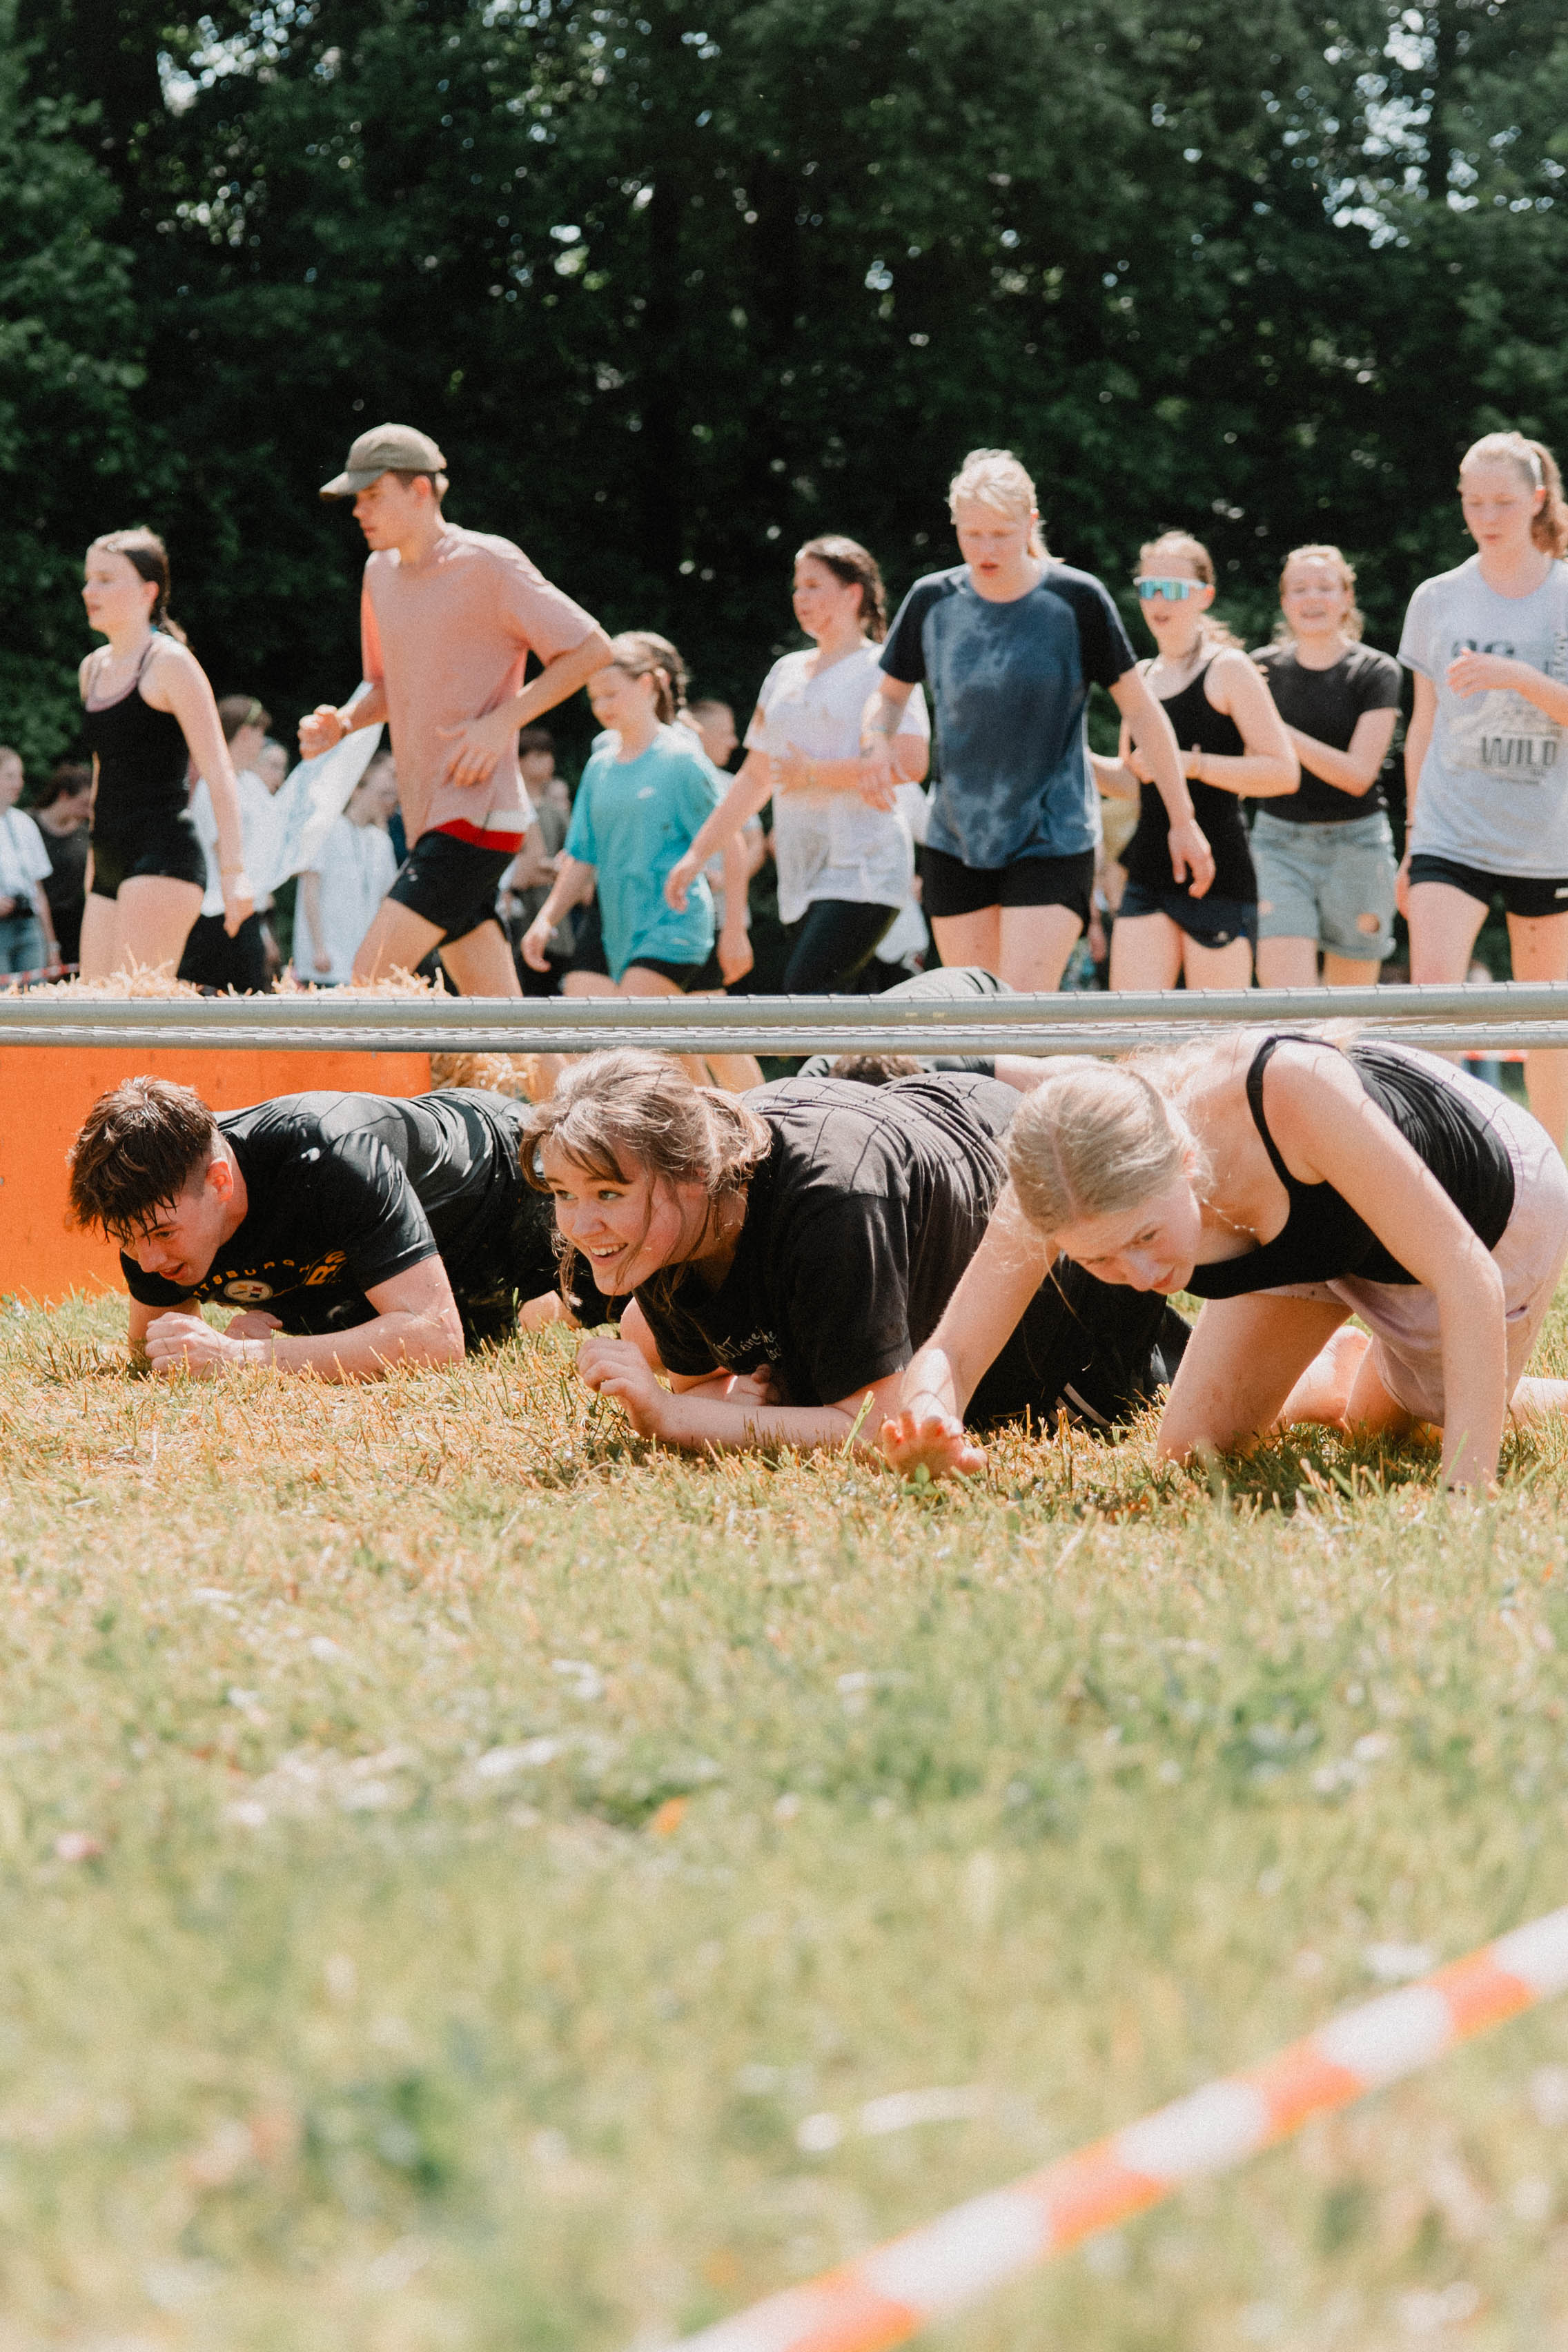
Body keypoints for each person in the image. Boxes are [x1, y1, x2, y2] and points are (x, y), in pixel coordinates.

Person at [881, 1028, 1568, 1496]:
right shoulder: (1054, 1183)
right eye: (1100, 1259)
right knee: (1195, 1452)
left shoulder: (1290, 1093)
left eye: (1147, 1235)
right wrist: (929, 1419)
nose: (1141, 1277)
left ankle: (1441, 1383)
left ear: (1185, 1162)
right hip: (1304, 1236)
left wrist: (1464, 1498)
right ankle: (1339, 1368)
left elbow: (1464, 1273)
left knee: (1428, 1416)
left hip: (1482, 1208)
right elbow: (953, 1350)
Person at [523, 1050, 1189, 1453]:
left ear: (694, 1173)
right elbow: (704, 1382)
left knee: (1176, 1412)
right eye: (563, 1193)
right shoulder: (659, 1227)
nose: (582, 1225)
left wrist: (672, 1419)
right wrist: (727, 1408)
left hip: (1052, 1279)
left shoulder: (830, 1201)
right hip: (921, 1135)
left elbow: (874, 1426)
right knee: (651, 1333)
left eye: (606, 1194)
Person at [862, 450, 1208, 990]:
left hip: (1054, 835)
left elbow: (1142, 710)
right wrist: (875, 741)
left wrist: (1182, 820)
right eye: (972, 534)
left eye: (1001, 534)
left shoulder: (1076, 599)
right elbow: (886, 698)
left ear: (1030, 523)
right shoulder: (932, 600)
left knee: (1019, 1010)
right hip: (957, 838)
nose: (986, 550)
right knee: (969, 1015)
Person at [299, 422, 613, 997]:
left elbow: (591, 649)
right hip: (426, 816)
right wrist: (342, 723)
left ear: (421, 489)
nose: (359, 511)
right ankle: (538, 1062)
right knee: (498, 1017)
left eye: (373, 495)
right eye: (356, 498)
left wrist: (501, 724)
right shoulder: (378, 573)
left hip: (478, 812)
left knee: (370, 978)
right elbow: (386, 685)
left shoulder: (488, 562)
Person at [66, 1074, 584, 1379]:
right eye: (127, 1240)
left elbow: (434, 1340)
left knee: (610, 1311)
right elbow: (155, 1353)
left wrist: (244, 1357)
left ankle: (540, 1304)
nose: (149, 1261)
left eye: (162, 1235)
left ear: (220, 1182)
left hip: (506, 1185)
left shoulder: (330, 1154)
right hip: (373, 1265)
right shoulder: (149, 1205)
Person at [1399, 430, 1568, 1149]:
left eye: (1503, 501)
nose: (1487, 517)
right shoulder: (1437, 598)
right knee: (1433, 1004)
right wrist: (1412, 841)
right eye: (1474, 502)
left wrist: (1518, 678)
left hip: (1547, 839)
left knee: (1547, 1023)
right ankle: (1440, 1168)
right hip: (1451, 830)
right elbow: (1421, 726)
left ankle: (1555, 1182)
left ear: (1537, 500)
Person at [665, 537, 931, 993]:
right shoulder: (784, 672)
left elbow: (911, 762)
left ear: (853, 594)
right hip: (800, 873)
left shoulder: (882, 668)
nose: (799, 597)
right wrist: (696, 855)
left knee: (805, 993)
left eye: (813, 586)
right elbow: (755, 776)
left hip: (866, 870)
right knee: (837, 1007)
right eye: (797, 587)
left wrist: (814, 773)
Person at [520, 632, 757, 1088]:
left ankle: (754, 1123)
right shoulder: (599, 766)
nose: (602, 706)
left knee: (629, 1041)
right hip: (618, 927)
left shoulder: (682, 759)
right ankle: (726, 1120)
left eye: (612, 693)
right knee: (677, 1048)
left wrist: (734, 932)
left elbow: (732, 843)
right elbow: (583, 856)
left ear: (648, 685)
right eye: (595, 698)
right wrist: (547, 918)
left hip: (674, 926)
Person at [1095, 533, 1297, 990]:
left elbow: (1283, 772)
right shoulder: (1141, 676)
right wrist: (1076, 761)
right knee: (1133, 1026)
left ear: (1205, 596)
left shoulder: (1229, 668)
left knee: (1216, 1031)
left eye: (1173, 589)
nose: (1159, 601)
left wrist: (1187, 764)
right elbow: (1133, 782)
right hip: (1147, 872)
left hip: (1218, 872)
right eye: (1149, 588)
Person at [79, 528, 253, 979]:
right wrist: (95, 861)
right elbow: (102, 770)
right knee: (88, 1010)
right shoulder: (92, 669)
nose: (89, 591)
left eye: (105, 579)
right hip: (110, 856)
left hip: (164, 856)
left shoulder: (170, 663)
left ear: (148, 591)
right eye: (89, 579)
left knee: (131, 1011)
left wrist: (234, 872)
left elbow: (219, 769)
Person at [1251, 547, 1403, 989]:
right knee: (1288, 1006)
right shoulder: (1258, 670)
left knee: (1348, 1013)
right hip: (1277, 844)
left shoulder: (1376, 671)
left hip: (1358, 845)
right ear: (1284, 601)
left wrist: (1277, 731)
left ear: (1347, 598)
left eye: (1324, 587)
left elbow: (1357, 776)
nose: (1312, 598)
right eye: (1299, 589)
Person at [181, 694, 284, 993]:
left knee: (251, 1000)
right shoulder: (212, 786)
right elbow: (222, 852)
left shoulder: (251, 785)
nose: (262, 743)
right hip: (218, 915)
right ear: (246, 732)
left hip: (247, 912)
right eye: (260, 734)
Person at [293, 755, 400, 983]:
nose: (389, 800)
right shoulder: (326, 828)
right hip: (327, 960)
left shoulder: (381, 840)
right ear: (357, 788)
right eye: (383, 794)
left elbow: (387, 900)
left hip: (361, 962)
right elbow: (310, 890)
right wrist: (318, 948)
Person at [0, 747, 58, 977]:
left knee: (35, 994)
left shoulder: (24, 823)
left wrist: (52, 946)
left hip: (29, 926)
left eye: (20, 776)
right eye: (10, 776)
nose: (19, 784)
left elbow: (38, 890)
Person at [32, 762, 94, 969]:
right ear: (64, 795)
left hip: (76, 925)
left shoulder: (85, 834)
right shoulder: (28, 825)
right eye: (84, 803)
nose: (88, 812)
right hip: (39, 924)